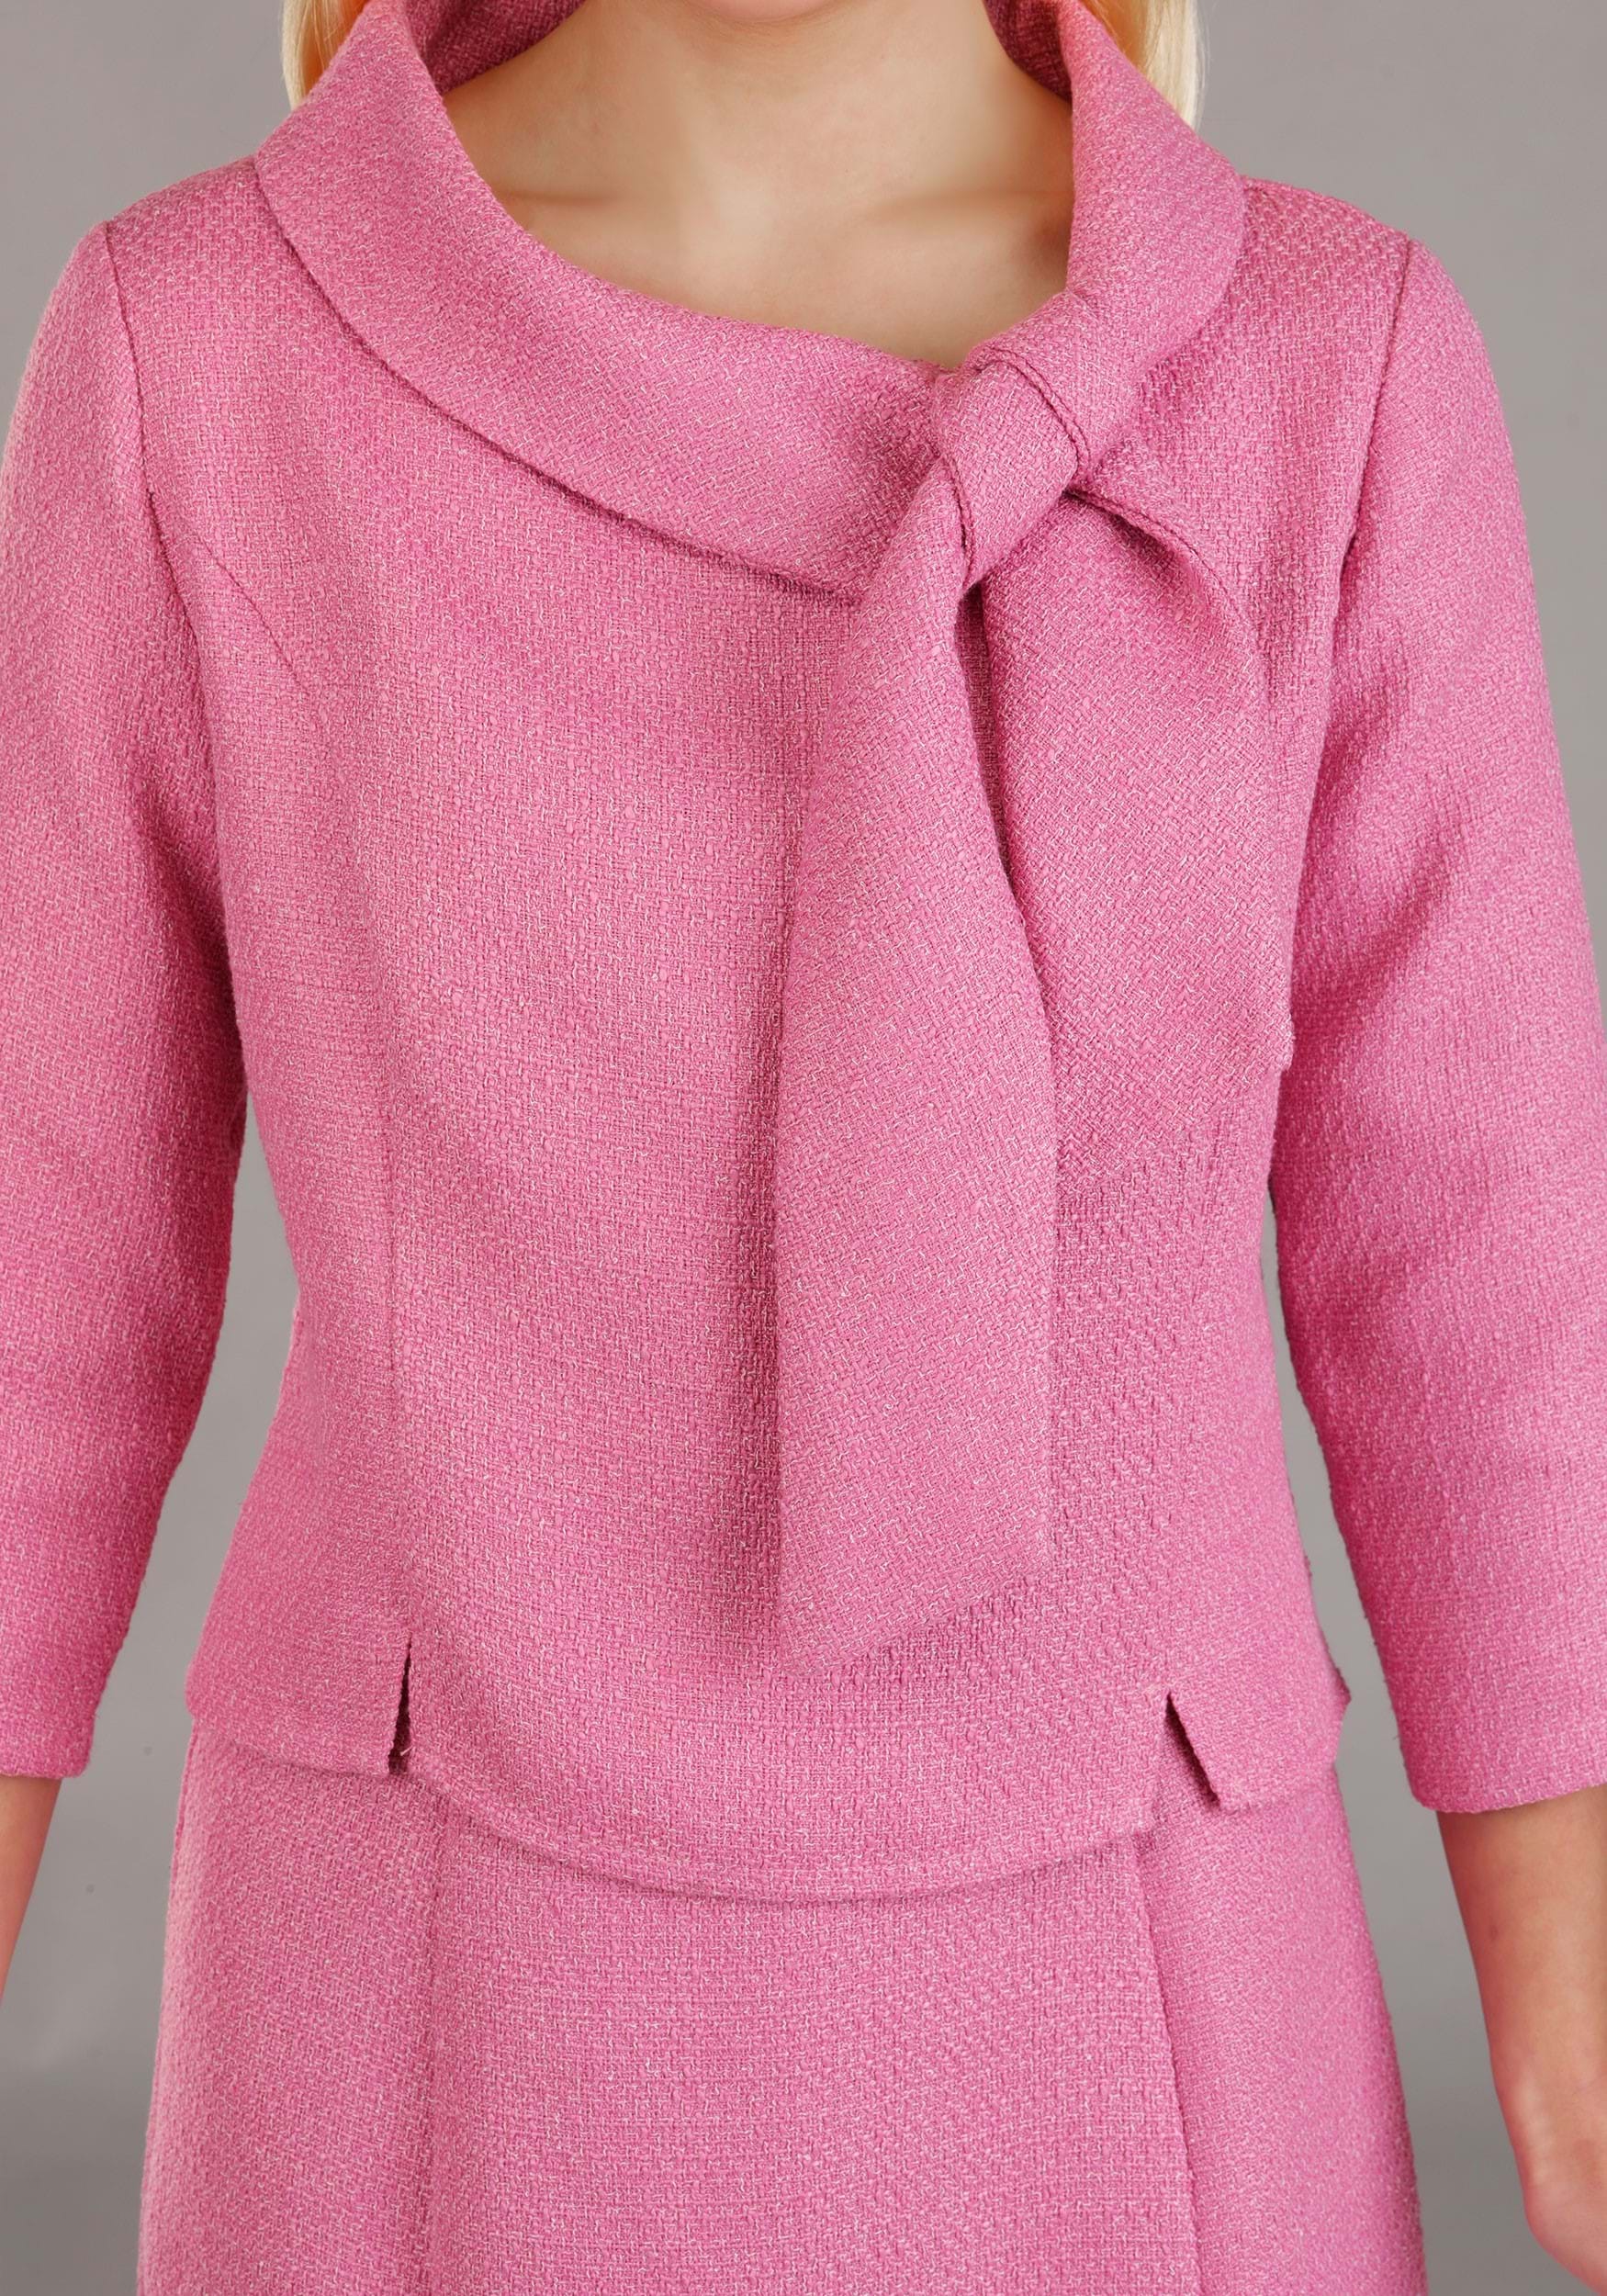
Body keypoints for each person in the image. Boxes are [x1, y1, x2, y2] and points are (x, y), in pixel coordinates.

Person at [3, 0, 1607, 2288]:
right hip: (417, 1997)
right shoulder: (206, 352)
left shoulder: (1321, 362)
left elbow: (1480, 1260)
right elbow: (39, 1268)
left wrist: (1569, 2030)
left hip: (1149, 1992)